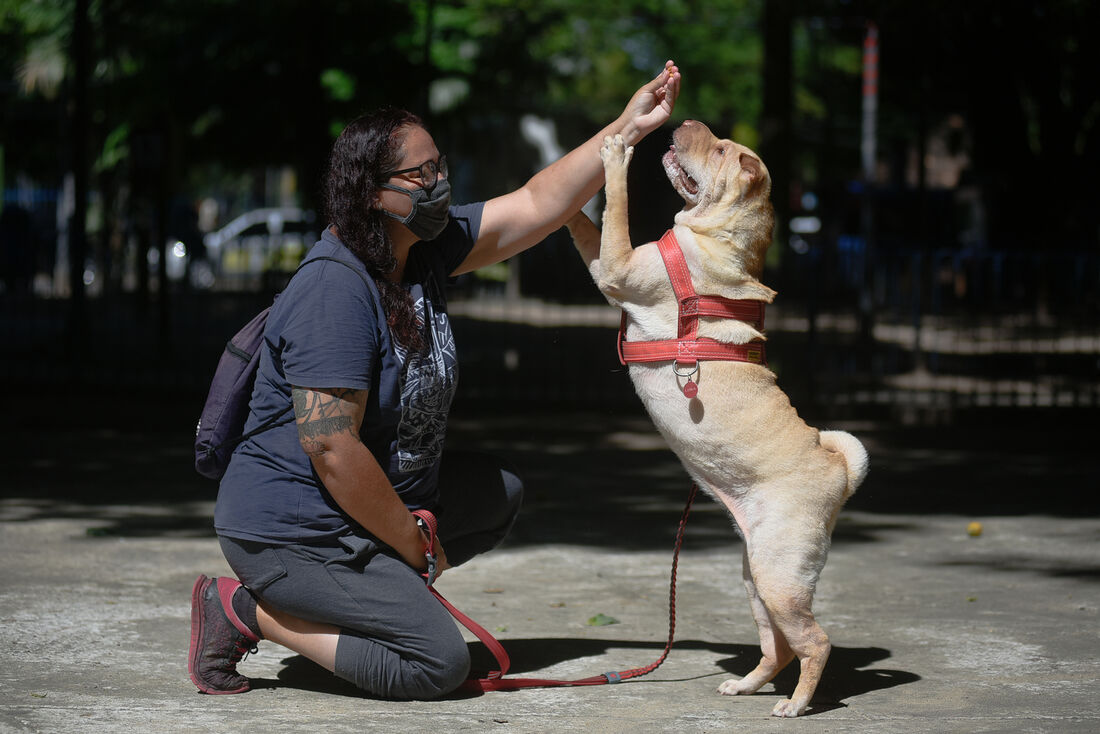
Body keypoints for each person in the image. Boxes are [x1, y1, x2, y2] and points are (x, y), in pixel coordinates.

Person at [189, 61, 681, 700]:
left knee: (494, 493)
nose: (438, 183)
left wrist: (625, 128)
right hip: (293, 528)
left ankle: (373, 602)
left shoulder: (419, 252)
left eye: (439, 166)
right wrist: (410, 539)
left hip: (363, 509)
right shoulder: (334, 290)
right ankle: (244, 611)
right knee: (436, 665)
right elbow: (331, 449)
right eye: (420, 175)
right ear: (371, 190)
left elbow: (537, 203)